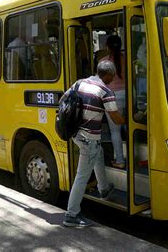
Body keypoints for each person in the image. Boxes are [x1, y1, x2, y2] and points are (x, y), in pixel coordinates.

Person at [62, 60, 126, 227]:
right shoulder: (105, 91)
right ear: (108, 75)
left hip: (76, 133)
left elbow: (63, 99)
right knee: (82, 176)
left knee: (99, 153)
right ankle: (71, 215)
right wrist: (131, 120)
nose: (112, 79)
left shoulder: (80, 83)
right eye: (112, 77)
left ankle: (104, 188)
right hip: (89, 137)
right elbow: (115, 118)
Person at [99, 35, 126, 169]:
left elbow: (99, 82)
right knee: (126, 126)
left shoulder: (104, 62)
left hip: (112, 98)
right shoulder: (125, 59)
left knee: (115, 131)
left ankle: (120, 160)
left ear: (107, 47)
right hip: (126, 95)